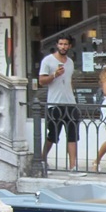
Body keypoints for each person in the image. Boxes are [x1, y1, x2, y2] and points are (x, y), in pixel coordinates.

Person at [39, 35, 80, 172]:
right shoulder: (48, 61)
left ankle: (73, 167)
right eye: (61, 44)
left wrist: (74, 98)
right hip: (55, 103)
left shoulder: (70, 62)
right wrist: (54, 75)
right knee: (53, 135)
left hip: (70, 103)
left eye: (66, 44)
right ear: (57, 45)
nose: (63, 47)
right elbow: (41, 81)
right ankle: (42, 159)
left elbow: (70, 81)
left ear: (69, 46)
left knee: (73, 135)